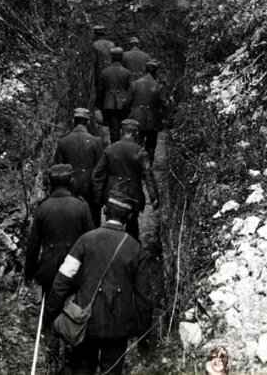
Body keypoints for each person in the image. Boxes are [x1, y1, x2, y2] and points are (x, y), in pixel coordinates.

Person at [47, 196, 154, 375]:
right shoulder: (136, 250)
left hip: (84, 321)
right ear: (128, 218)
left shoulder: (85, 240)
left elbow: (63, 279)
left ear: (105, 212)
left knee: (82, 368)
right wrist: (144, 334)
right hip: (118, 325)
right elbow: (144, 297)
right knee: (112, 370)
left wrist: (51, 313)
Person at [23, 164, 94, 371]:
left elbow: (33, 245)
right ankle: (74, 353)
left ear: (50, 184)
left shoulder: (43, 208)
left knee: (51, 311)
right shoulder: (81, 206)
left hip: (50, 271)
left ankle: (52, 352)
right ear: (70, 182)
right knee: (74, 310)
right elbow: (90, 239)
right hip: (76, 271)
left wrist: (30, 273)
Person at [92, 119, 159, 241]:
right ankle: (131, 250)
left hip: (112, 193)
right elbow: (148, 175)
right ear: (137, 133)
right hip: (132, 194)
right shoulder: (140, 152)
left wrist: (98, 196)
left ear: (122, 131)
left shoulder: (110, 149)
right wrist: (154, 198)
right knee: (132, 226)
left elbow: (98, 174)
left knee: (111, 223)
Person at [54, 108, 104, 225]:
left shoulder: (63, 142)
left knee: (71, 225)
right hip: (91, 189)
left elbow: (59, 170)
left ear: (73, 121)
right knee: (92, 224)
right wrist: (100, 194)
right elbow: (100, 171)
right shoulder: (96, 141)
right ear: (87, 122)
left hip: (70, 190)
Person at [126, 59, 168, 168]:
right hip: (152, 119)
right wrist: (164, 117)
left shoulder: (134, 84)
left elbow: (128, 102)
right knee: (151, 144)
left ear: (144, 70)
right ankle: (148, 166)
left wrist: (129, 113)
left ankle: (135, 164)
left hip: (136, 118)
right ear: (156, 72)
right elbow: (164, 104)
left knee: (136, 141)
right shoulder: (159, 87)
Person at [96, 47, 132, 143]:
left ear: (111, 57)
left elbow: (100, 90)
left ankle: (115, 150)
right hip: (124, 104)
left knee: (114, 130)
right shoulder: (127, 72)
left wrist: (99, 106)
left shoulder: (104, 72)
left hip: (109, 103)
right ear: (121, 57)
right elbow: (130, 90)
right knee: (125, 127)